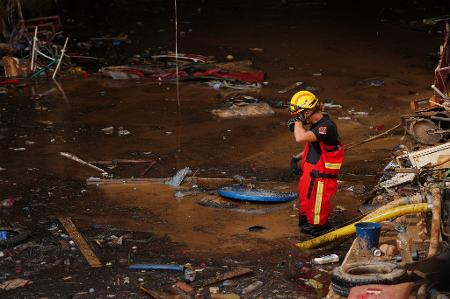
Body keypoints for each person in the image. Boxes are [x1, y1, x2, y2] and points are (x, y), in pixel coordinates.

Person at [287, 90, 344, 237]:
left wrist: (297, 123)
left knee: (316, 218)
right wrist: (297, 158)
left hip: (321, 180)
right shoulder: (315, 124)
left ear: (309, 111)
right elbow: (315, 146)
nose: (297, 116)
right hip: (311, 175)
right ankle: (307, 230)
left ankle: (320, 240)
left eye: (299, 113)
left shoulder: (326, 126)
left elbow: (301, 138)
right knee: (305, 212)